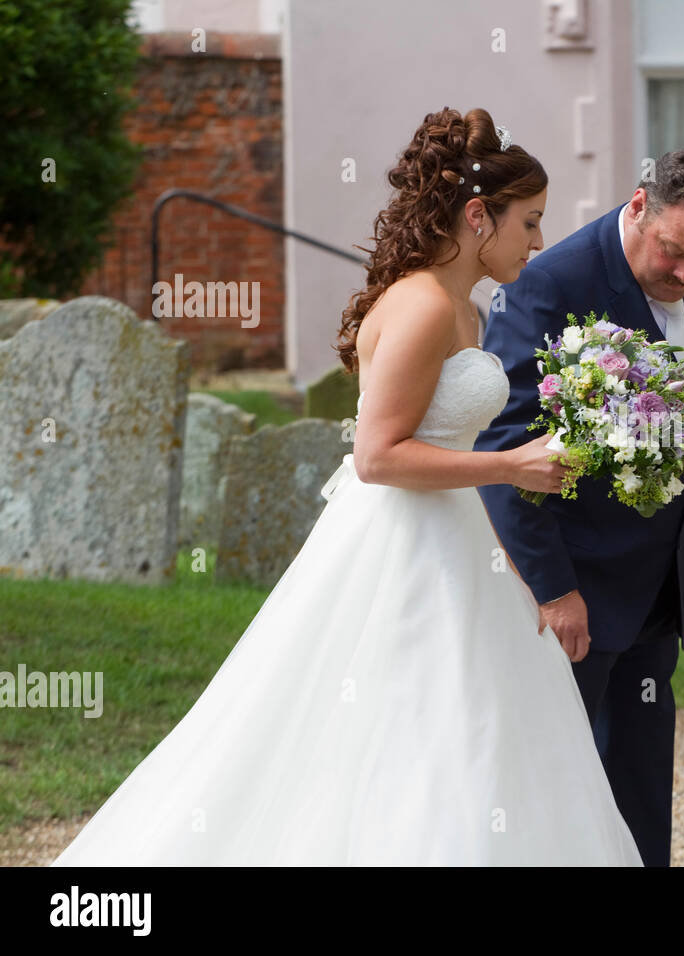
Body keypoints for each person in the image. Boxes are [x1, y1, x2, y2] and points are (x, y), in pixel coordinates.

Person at [51, 107, 643, 866]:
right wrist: (512, 465)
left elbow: (441, 443)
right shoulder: (426, 305)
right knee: (396, 716)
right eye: (528, 223)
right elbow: (378, 456)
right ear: (476, 215)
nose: (536, 242)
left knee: (468, 724)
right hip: (397, 543)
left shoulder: (465, 307)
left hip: (455, 540)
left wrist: (511, 562)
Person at [475, 148, 684, 867]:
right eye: (674, 252)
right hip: (578, 590)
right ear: (637, 207)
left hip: (664, 590)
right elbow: (505, 451)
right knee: (551, 783)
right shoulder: (549, 284)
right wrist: (554, 587)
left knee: (641, 785)